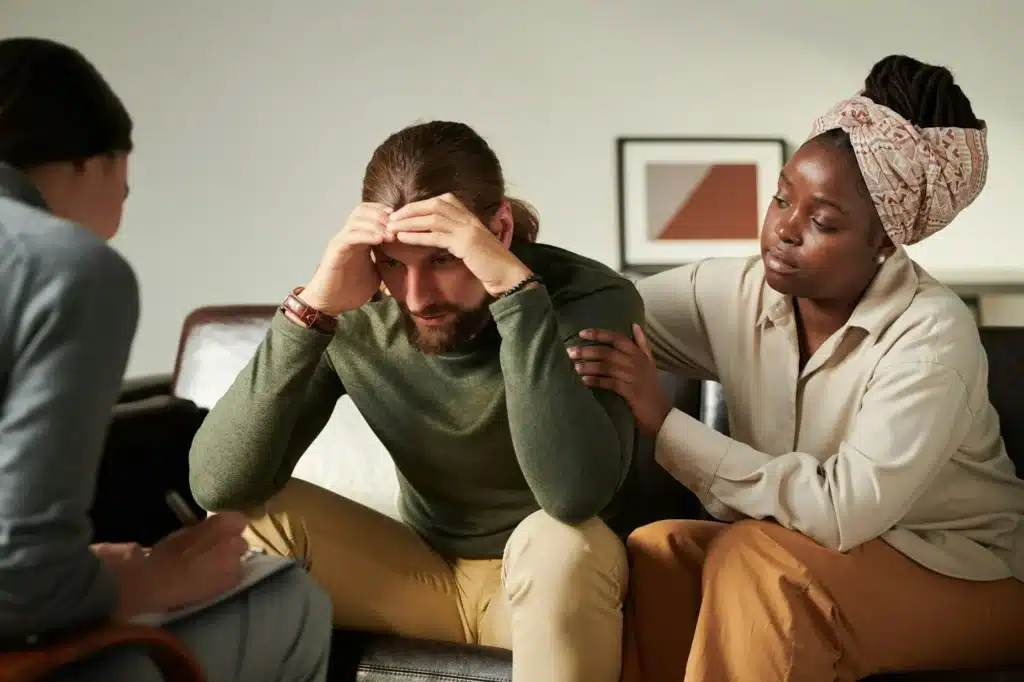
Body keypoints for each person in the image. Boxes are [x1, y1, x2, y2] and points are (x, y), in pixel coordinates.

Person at [572, 55, 1024, 681]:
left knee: (758, 564)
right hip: (818, 552)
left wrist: (664, 423)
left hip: (973, 576)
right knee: (660, 551)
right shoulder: (741, 292)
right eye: (783, 197)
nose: (784, 230)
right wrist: (497, 266)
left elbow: (843, 512)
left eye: (822, 222)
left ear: (883, 241)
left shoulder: (931, 334)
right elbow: (604, 309)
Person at [188, 120, 645, 682]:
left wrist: (517, 297)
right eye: (393, 265)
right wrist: (312, 308)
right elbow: (218, 485)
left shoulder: (587, 297)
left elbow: (572, 496)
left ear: (498, 229)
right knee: (245, 521)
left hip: (548, 588)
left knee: (562, 541)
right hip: (420, 578)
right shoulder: (358, 311)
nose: (416, 296)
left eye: (443, 260)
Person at [0, 37, 332, 682]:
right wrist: (154, 575)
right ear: (96, 160)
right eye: (127, 178)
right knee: (289, 603)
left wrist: (86, 567)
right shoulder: (64, 266)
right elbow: (22, 583)